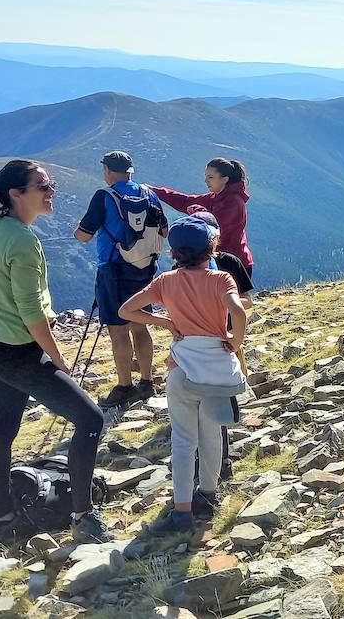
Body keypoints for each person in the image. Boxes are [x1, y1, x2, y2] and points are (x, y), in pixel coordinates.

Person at [0, 159, 112, 544]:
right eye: (43, 185)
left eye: (50, 183)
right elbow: (31, 311)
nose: (51, 190)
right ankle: (84, 517)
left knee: (2, 432)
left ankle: (3, 518)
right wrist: (56, 356)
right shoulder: (20, 238)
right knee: (91, 421)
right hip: (22, 352)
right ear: (16, 194)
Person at [119, 216, 247, 534]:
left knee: (183, 442)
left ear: (174, 252)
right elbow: (239, 311)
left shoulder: (165, 282)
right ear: (211, 247)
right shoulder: (221, 280)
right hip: (215, 373)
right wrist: (235, 341)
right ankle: (209, 495)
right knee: (211, 437)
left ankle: (181, 511)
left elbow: (126, 311)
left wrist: (164, 323)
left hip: (182, 372)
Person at [75, 150, 167, 410]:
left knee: (118, 329)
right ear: (131, 170)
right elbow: (165, 230)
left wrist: (79, 226)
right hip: (144, 269)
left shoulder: (104, 196)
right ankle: (147, 381)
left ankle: (125, 385)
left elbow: (83, 236)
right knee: (140, 324)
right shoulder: (149, 194)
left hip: (113, 269)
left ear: (107, 171)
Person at [186, 211, 252, 481]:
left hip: (217, 339)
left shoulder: (228, 263)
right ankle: (212, 458)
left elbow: (247, 301)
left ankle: (218, 460)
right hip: (215, 339)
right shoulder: (183, 270)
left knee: (214, 399)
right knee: (208, 399)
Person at [153, 157, 253, 276]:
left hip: (233, 264)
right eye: (206, 176)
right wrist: (155, 191)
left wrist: (196, 210)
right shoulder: (215, 197)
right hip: (217, 259)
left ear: (225, 179)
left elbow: (212, 226)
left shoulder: (234, 203)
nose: (206, 181)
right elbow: (186, 201)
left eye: (210, 177)